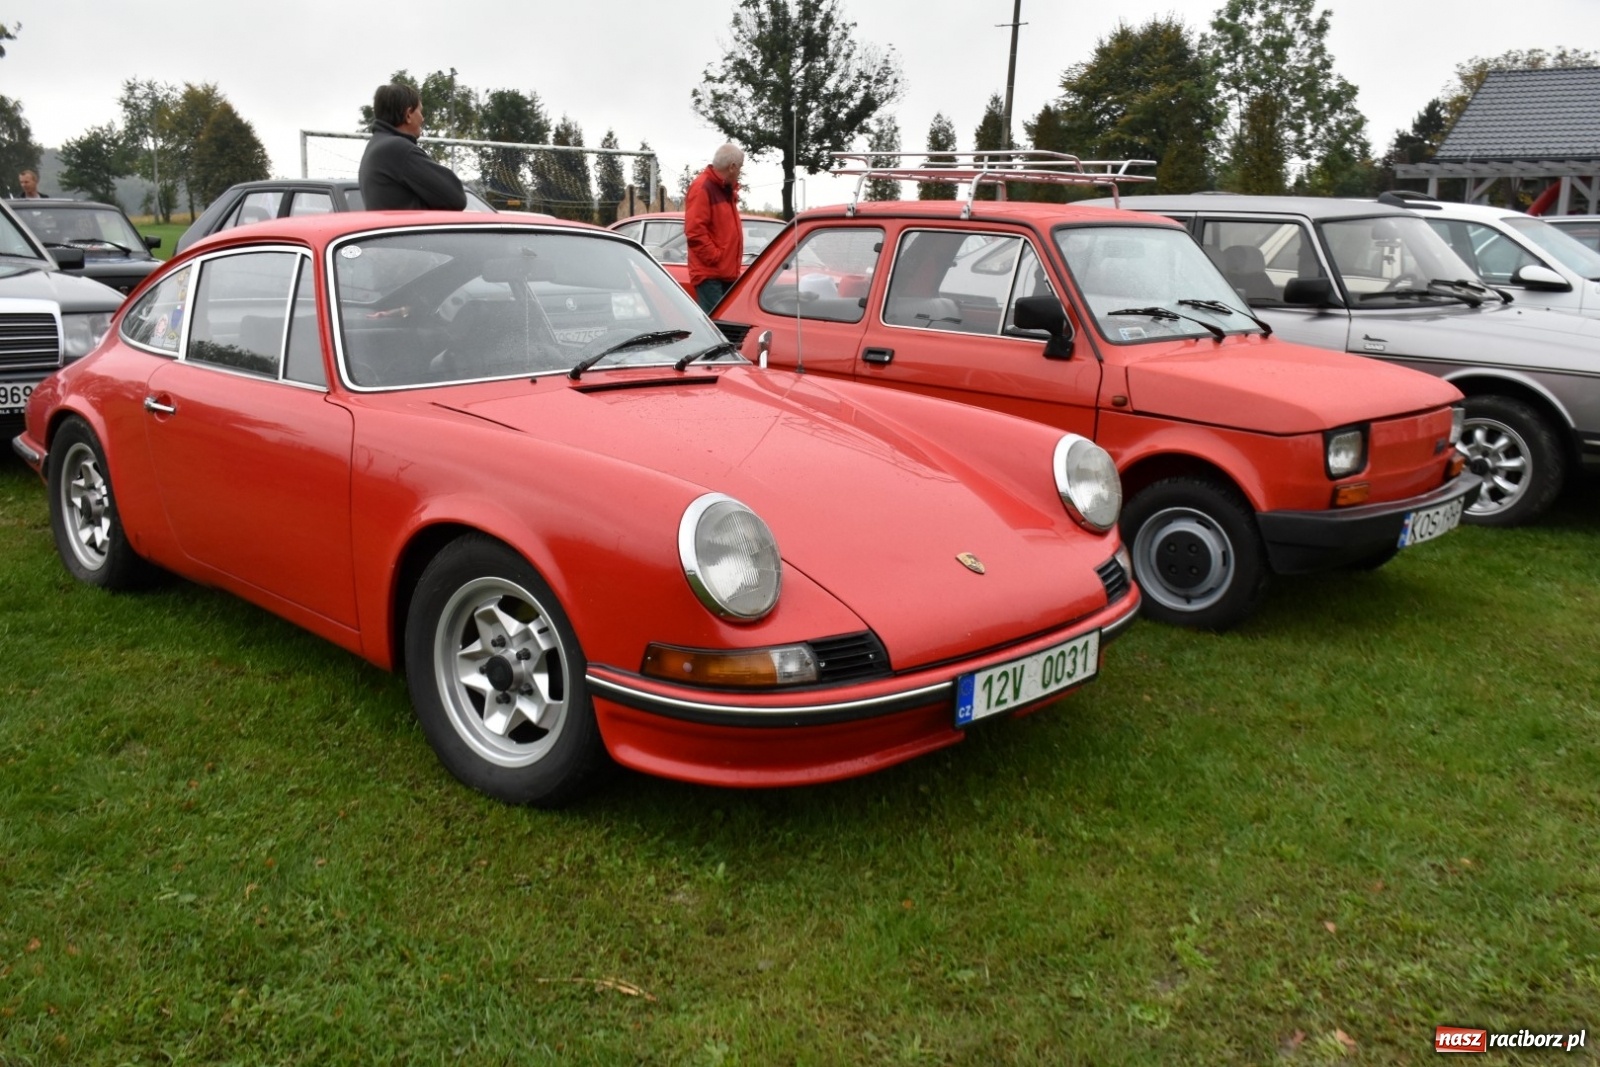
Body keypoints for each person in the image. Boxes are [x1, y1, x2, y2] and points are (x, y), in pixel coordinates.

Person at [357, 83, 467, 212]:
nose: (422, 118)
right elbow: (456, 197)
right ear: (408, 114)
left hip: (393, 230)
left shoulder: (375, 146)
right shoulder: (398, 150)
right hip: (411, 232)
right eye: (420, 111)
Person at [683, 143, 745, 313]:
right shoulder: (703, 187)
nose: (739, 172)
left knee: (724, 324)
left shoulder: (723, 188)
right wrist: (716, 257)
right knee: (717, 326)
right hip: (711, 274)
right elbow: (694, 231)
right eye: (740, 168)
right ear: (732, 167)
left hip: (723, 272)